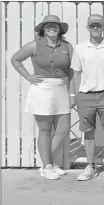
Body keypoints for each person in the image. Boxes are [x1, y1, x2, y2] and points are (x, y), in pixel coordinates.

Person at [10, 15, 74, 180]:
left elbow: (70, 71)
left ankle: (48, 163)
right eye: (48, 26)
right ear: (43, 29)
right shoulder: (34, 45)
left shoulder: (67, 46)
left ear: (60, 29)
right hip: (42, 88)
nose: (52, 28)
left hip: (61, 87)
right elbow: (15, 59)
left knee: (63, 129)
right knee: (45, 130)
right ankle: (47, 165)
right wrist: (29, 77)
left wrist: (71, 92)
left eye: (55, 25)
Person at [70, 14, 104, 181]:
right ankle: (90, 165)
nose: (96, 28)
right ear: (88, 28)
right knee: (88, 132)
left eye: (99, 25)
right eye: (93, 26)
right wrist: (76, 95)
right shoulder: (80, 48)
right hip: (85, 95)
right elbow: (76, 73)